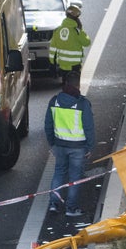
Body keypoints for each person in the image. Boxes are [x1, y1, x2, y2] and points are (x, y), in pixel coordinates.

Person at [45, 70, 95, 218]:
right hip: (78, 148)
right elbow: (89, 127)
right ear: (78, 85)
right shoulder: (82, 104)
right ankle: (71, 208)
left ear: (65, 84)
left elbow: (48, 124)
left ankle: (54, 204)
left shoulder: (54, 101)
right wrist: (90, 146)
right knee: (75, 177)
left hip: (59, 145)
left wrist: (51, 143)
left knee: (59, 172)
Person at [49, 2, 90, 79]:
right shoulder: (76, 31)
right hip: (75, 66)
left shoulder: (57, 30)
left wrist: (52, 64)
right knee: (74, 87)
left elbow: (53, 49)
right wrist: (81, 30)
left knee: (65, 86)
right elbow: (87, 42)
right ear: (77, 18)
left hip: (62, 66)